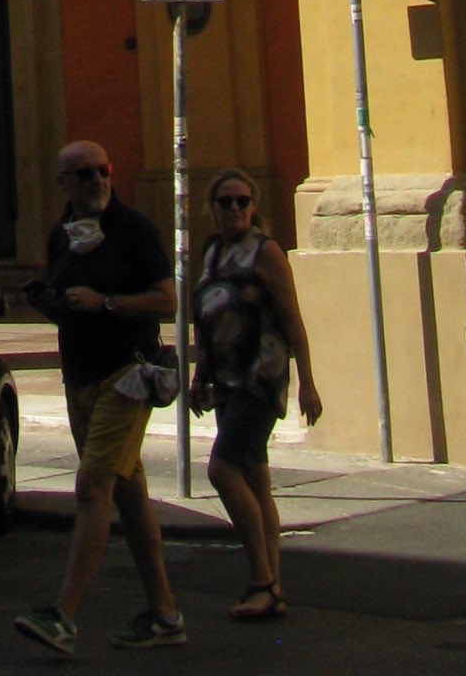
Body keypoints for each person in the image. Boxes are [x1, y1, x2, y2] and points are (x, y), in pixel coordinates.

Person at [12, 140, 186, 656]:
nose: (97, 180)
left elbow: (167, 299)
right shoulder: (61, 239)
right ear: (63, 184)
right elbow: (71, 306)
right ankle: (165, 614)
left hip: (127, 375)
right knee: (129, 498)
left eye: (103, 171)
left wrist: (105, 302)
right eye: (84, 174)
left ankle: (63, 615)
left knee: (92, 488)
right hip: (80, 379)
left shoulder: (135, 230)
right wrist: (50, 304)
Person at [190, 168, 320, 623]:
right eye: (226, 202)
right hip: (225, 381)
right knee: (257, 480)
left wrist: (307, 380)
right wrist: (199, 375)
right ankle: (274, 588)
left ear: (254, 206)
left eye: (243, 201)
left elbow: (292, 317)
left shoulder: (266, 253)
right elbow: (205, 317)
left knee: (223, 471)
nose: (234, 209)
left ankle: (261, 581)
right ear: (213, 208)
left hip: (259, 380)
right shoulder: (211, 252)